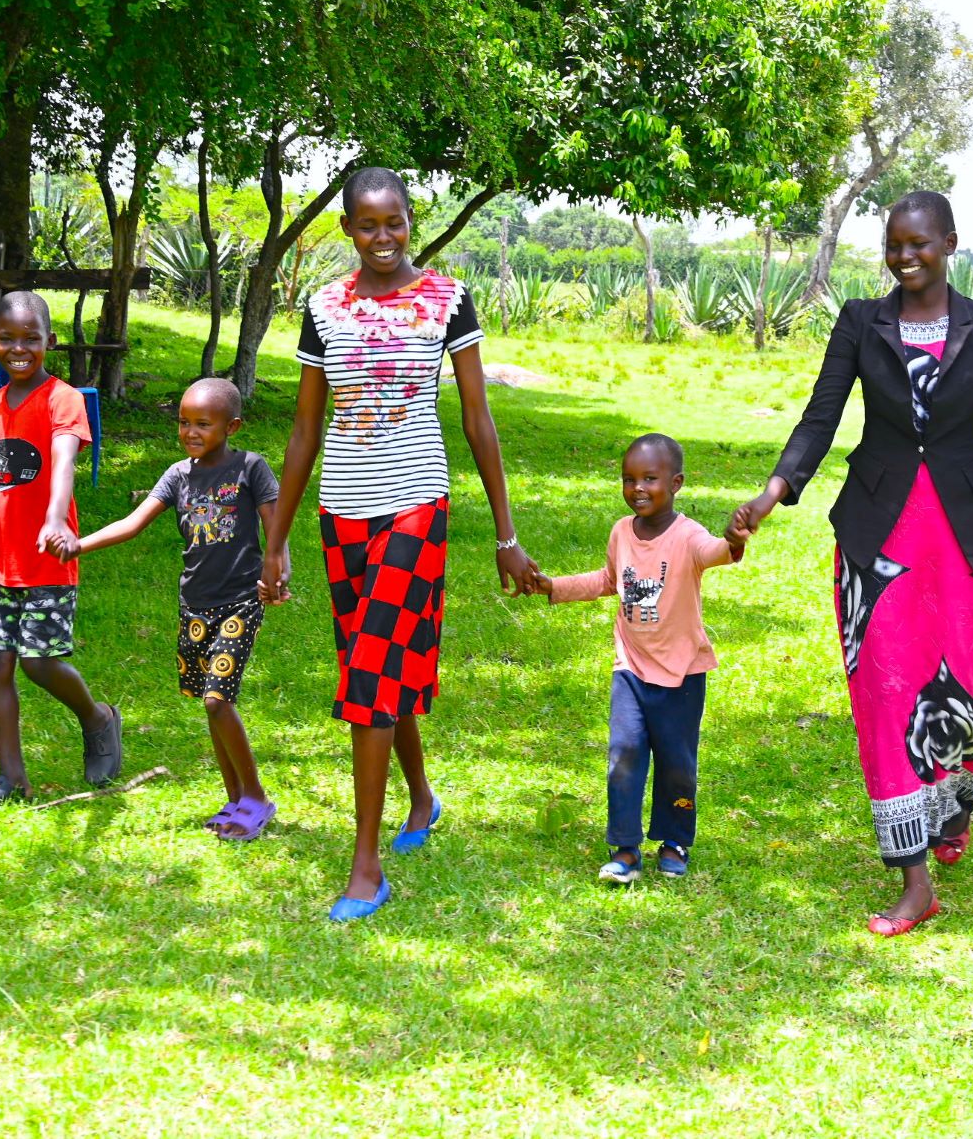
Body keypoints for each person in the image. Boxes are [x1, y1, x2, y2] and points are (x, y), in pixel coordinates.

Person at [730, 191, 973, 936]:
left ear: (949, 242)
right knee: (887, 696)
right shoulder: (861, 323)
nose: (906, 257)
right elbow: (821, 415)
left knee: (972, 693)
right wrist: (772, 492)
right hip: (877, 535)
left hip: (964, 530)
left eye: (919, 244)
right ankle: (913, 878)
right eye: (893, 245)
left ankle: (953, 807)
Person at [260, 167, 541, 922]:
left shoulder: (447, 301)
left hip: (416, 505)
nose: (382, 238)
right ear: (347, 229)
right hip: (342, 511)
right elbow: (304, 429)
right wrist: (275, 541)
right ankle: (421, 797)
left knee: (372, 676)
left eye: (395, 224)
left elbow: (479, 420)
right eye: (366, 225)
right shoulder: (323, 308)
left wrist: (507, 535)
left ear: (411, 222)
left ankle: (365, 864)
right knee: (373, 668)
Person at [528, 433, 745, 885]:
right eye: (629, 479)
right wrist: (554, 586)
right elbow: (610, 580)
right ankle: (625, 849)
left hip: (682, 672)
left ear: (677, 483)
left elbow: (713, 553)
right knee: (624, 754)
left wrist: (733, 541)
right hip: (630, 668)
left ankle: (674, 839)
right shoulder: (621, 532)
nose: (638, 488)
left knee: (677, 763)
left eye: (650, 478)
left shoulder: (687, 536)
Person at [78, 377, 279, 840]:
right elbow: (132, 523)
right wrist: (79, 545)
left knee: (218, 699)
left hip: (241, 600)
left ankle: (256, 798)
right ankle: (235, 800)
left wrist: (277, 574)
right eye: (184, 422)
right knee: (208, 706)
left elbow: (276, 531)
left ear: (232, 426)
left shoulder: (251, 469)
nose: (191, 431)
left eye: (202, 424)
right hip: (195, 605)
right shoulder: (177, 475)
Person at [0, 291, 122, 814]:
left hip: (49, 559)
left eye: (30, 339)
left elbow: (64, 461)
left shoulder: (61, 399)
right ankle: (9, 779)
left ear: (50, 341)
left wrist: (53, 518)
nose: (18, 348)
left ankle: (97, 718)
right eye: (7, 338)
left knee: (41, 662)